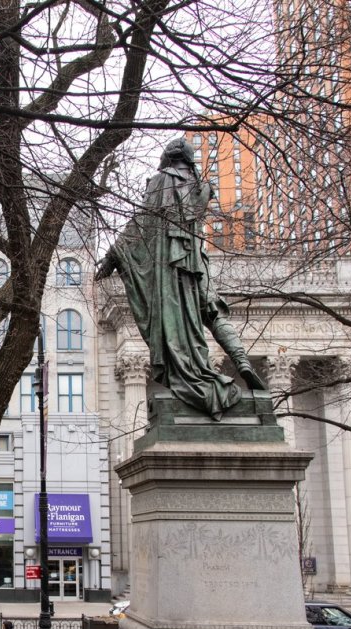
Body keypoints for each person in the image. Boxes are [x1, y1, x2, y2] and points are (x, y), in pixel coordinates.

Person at [96, 138, 267, 419]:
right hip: (196, 263)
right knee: (213, 311)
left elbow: (141, 222)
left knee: (178, 325)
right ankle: (241, 360)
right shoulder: (201, 187)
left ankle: (194, 374)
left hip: (170, 270)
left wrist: (114, 254)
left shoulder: (160, 182)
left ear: (167, 159)